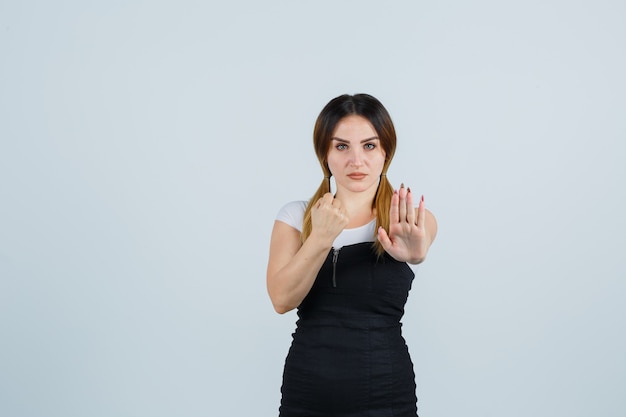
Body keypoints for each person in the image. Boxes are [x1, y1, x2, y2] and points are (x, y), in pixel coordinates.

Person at [266, 93, 437, 417]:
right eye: (342, 146)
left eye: (369, 146)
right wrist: (321, 237)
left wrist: (415, 253)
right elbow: (281, 300)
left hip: (386, 396)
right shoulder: (294, 216)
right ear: (325, 154)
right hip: (306, 395)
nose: (356, 161)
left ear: (386, 152)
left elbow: (420, 247)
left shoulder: (409, 219)